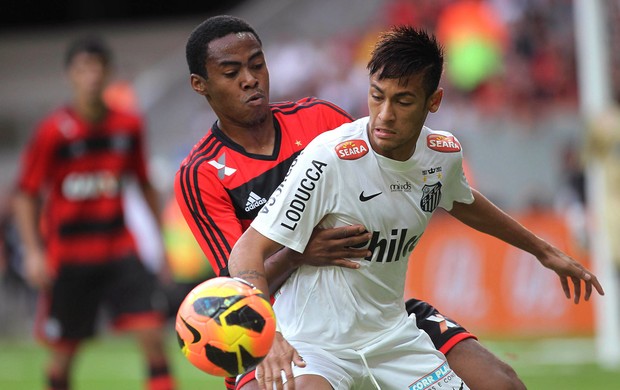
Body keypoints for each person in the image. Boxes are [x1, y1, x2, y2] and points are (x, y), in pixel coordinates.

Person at [227, 25, 605, 390]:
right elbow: (246, 251)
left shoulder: (441, 154)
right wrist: (268, 331)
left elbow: (464, 202)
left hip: (392, 338)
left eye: (403, 100)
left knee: (504, 385)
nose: (385, 115)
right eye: (377, 96)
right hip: (317, 345)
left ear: (433, 102)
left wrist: (545, 251)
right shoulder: (330, 158)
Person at [176, 15, 528, 390]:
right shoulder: (202, 173)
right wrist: (298, 253)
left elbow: (388, 171)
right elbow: (235, 285)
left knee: (501, 382)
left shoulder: (320, 119)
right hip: (277, 328)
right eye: (231, 73)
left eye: (257, 65)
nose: (250, 79)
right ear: (201, 85)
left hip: (371, 310)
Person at [12, 36, 175, 390]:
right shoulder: (53, 131)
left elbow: (145, 183)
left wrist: (159, 242)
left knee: (152, 337)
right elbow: (25, 195)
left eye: (97, 67)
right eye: (83, 68)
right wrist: (34, 252)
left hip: (119, 249)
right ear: (71, 75)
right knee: (64, 353)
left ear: (108, 73)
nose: (91, 75)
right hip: (69, 258)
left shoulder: (128, 125)